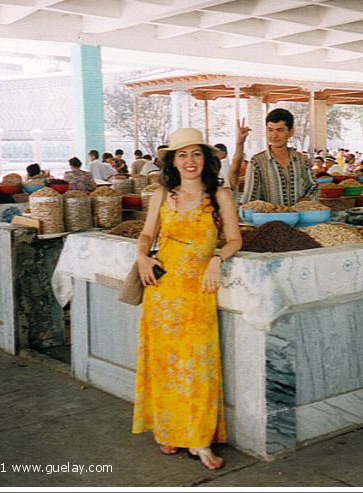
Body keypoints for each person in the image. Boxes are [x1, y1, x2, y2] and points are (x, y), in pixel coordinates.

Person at [133, 127, 242, 471]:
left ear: (206, 160)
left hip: (198, 291)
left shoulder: (219, 195)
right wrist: (142, 257)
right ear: (172, 161)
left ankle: (199, 440)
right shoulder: (162, 194)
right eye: (182, 155)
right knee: (165, 365)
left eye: (196, 154)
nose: (189, 161)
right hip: (163, 293)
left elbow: (235, 239)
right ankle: (169, 430)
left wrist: (216, 258)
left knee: (198, 366)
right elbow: (147, 233)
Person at [240, 108, 317, 206]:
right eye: (270, 130)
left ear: (291, 132)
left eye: (280, 130)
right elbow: (249, 201)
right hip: (268, 220)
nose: (274, 135)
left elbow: (314, 186)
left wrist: (305, 200)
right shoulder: (257, 162)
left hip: (301, 219)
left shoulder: (301, 160)